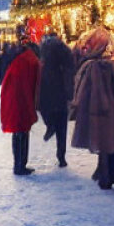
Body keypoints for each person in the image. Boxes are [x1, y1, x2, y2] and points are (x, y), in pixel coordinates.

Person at [70, 26, 114, 190]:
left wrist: (78, 107)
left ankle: (102, 174)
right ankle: (106, 178)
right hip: (110, 113)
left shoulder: (87, 66)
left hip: (93, 113)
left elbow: (78, 90)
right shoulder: (109, 66)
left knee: (102, 146)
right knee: (110, 145)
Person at [1, 26, 41, 176]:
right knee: (22, 132)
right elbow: (33, 84)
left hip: (13, 98)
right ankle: (19, 166)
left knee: (19, 132)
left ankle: (19, 164)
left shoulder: (20, 59)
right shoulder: (30, 61)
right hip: (21, 100)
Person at [38, 29, 76, 168]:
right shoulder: (64, 50)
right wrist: (70, 93)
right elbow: (71, 68)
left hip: (47, 90)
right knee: (62, 126)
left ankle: (50, 125)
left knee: (46, 110)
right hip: (61, 92)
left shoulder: (44, 51)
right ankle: (61, 156)